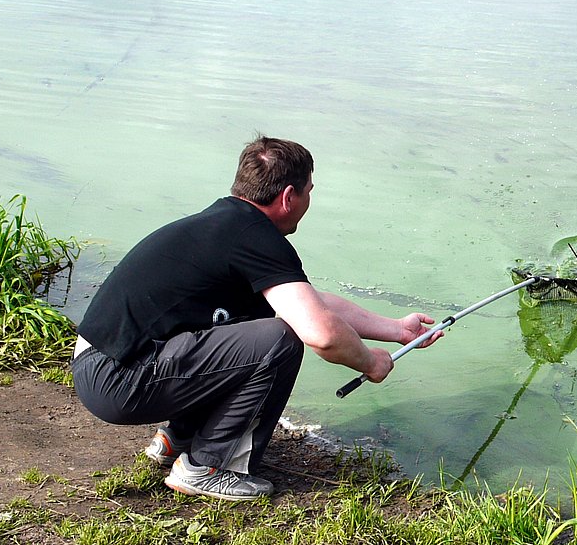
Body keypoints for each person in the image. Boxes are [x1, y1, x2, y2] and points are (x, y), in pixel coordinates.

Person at [71, 136, 440, 501]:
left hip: (101, 364)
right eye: (310, 191)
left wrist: (395, 330)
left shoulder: (226, 224)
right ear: (288, 197)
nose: (310, 200)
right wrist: (370, 361)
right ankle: (207, 467)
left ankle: (178, 438)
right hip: (118, 381)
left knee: (253, 328)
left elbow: (310, 303)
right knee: (282, 339)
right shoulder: (256, 237)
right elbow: (322, 334)